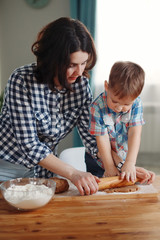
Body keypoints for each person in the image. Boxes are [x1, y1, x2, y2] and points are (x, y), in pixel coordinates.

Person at [0, 18, 155, 196]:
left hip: (42, 173)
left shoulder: (80, 86)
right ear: (52, 59)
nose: (80, 72)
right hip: (6, 169)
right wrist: (73, 173)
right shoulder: (21, 81)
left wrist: (125, 167)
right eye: (72, 65)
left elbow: (92, 139)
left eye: (83, 63)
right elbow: (30, 145)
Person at [88, 61, 152, 183]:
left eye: (126, 104)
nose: (119, 108)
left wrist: (129, 163)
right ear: (106, 86)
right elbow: (102, 139)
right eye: (115, 101)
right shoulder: (96, 107)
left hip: (123, 157)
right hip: (98, 160)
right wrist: (109, 167)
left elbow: (135, 134)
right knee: (99, 191)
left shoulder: (136, 104)